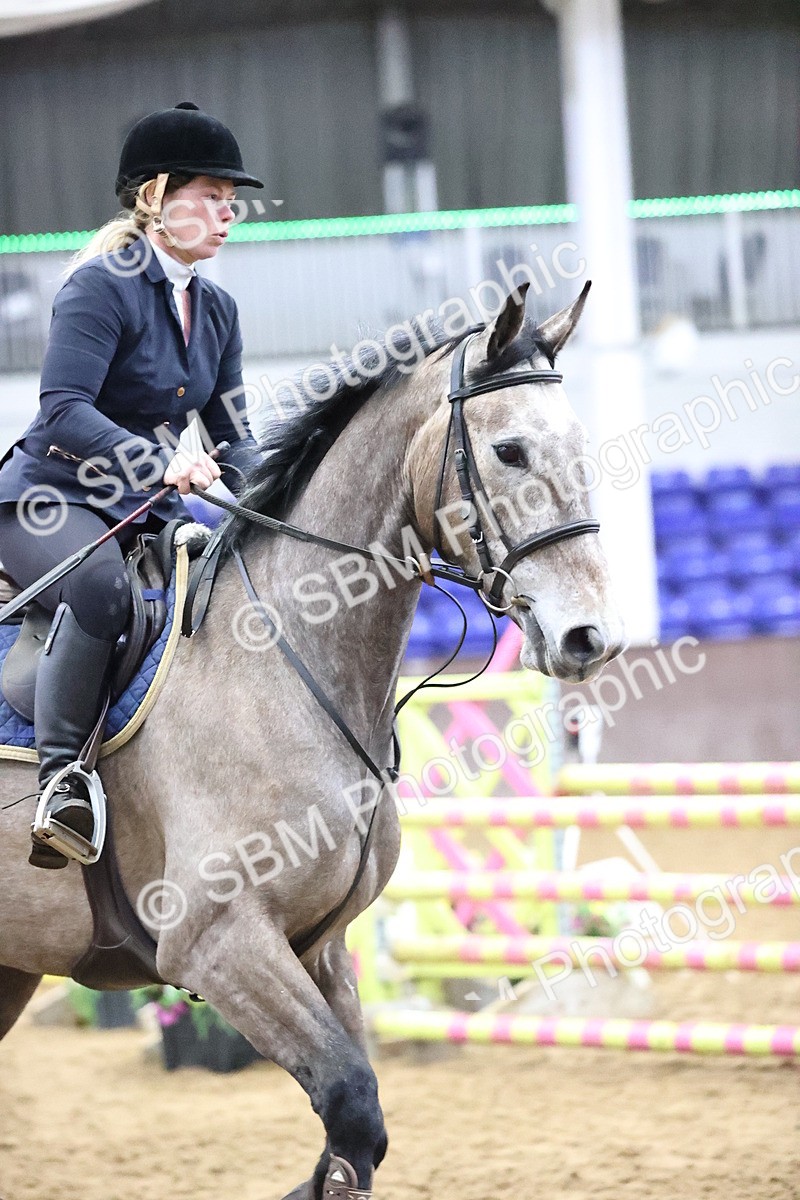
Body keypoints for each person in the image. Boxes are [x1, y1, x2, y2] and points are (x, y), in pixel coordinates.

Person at [0, 101, 265, 868]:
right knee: (104, 593)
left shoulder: (217, 309)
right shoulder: (100, 287)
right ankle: (61, 783)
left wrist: (281, 500)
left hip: (140, 506)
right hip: (47, 498)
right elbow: (64, 410)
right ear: (155, 196)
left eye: (231, 200)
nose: (229, 214)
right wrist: (159, 464)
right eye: (212, 196)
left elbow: (235, 438)